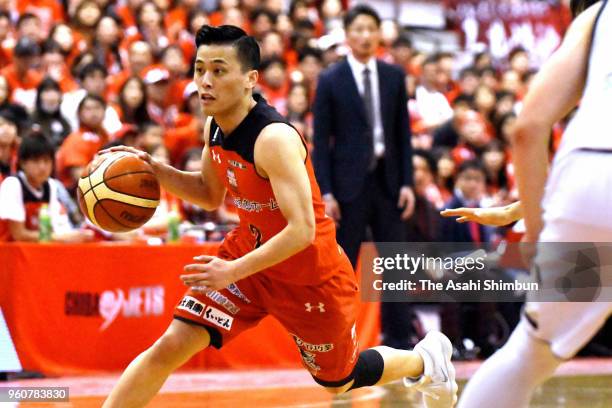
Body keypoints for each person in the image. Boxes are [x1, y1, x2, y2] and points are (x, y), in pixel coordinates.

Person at [100, 25, 457, 408]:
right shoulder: (215, 126)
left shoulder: (274, 139)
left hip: (307, 272)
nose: (205, 80)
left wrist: (231, 273)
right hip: (248, 253)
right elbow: (208, 194)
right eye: (200, 69)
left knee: (340, 380)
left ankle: (426, 360)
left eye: (219, 70)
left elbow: (301, 231)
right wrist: (157, 171)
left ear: (250, 79)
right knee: (170, 346)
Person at [444, 1, 612, 406]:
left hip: (591, 181)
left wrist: (536, 233)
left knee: (530, 353)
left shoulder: (600, 15)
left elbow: (528, 127)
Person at [312, 4, 415, 350]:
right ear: (347, 34)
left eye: (371, 29)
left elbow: (403, 135)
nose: (365, 36)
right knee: (343, 267)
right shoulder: (330, 79)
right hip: (346, 187)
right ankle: (338, 341)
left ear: (379, 34)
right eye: (358, 29)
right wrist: (326, 191)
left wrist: (407, 183)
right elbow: (321, 142)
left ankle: (400, 341)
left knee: (397, 264)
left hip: (388, 181)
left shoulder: (394, 76)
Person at [0, 134, 92, 242]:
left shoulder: (51, 185)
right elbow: (19, 235)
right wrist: (62, 238)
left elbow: (51, 229)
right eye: (36, 161)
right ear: (22, 163)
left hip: (33, 251)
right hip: (8, 252)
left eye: (46, 161)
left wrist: (75, 235)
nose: (42, 167)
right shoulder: (12, 185)